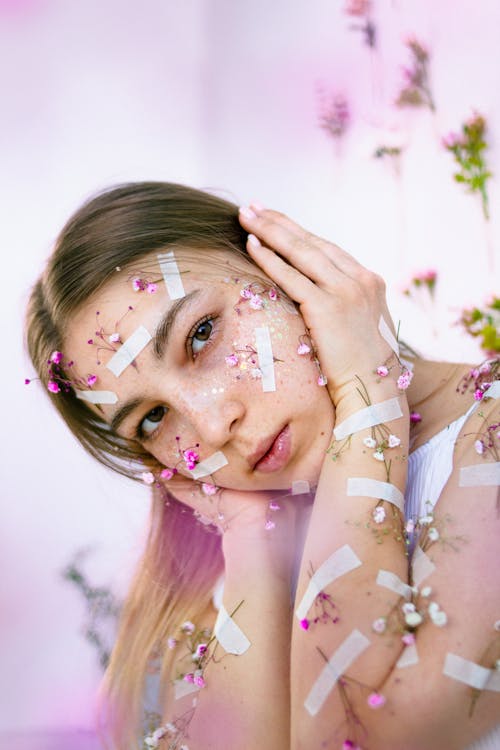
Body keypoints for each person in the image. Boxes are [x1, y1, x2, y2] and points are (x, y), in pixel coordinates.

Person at [25, 182, 499, 750]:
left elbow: (359, 737)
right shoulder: (213, 602)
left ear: (287, 265)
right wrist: (252, 545)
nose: (208, 425)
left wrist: (371, 402)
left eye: (200, 334)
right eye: (153, 419)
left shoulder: (488, 440)